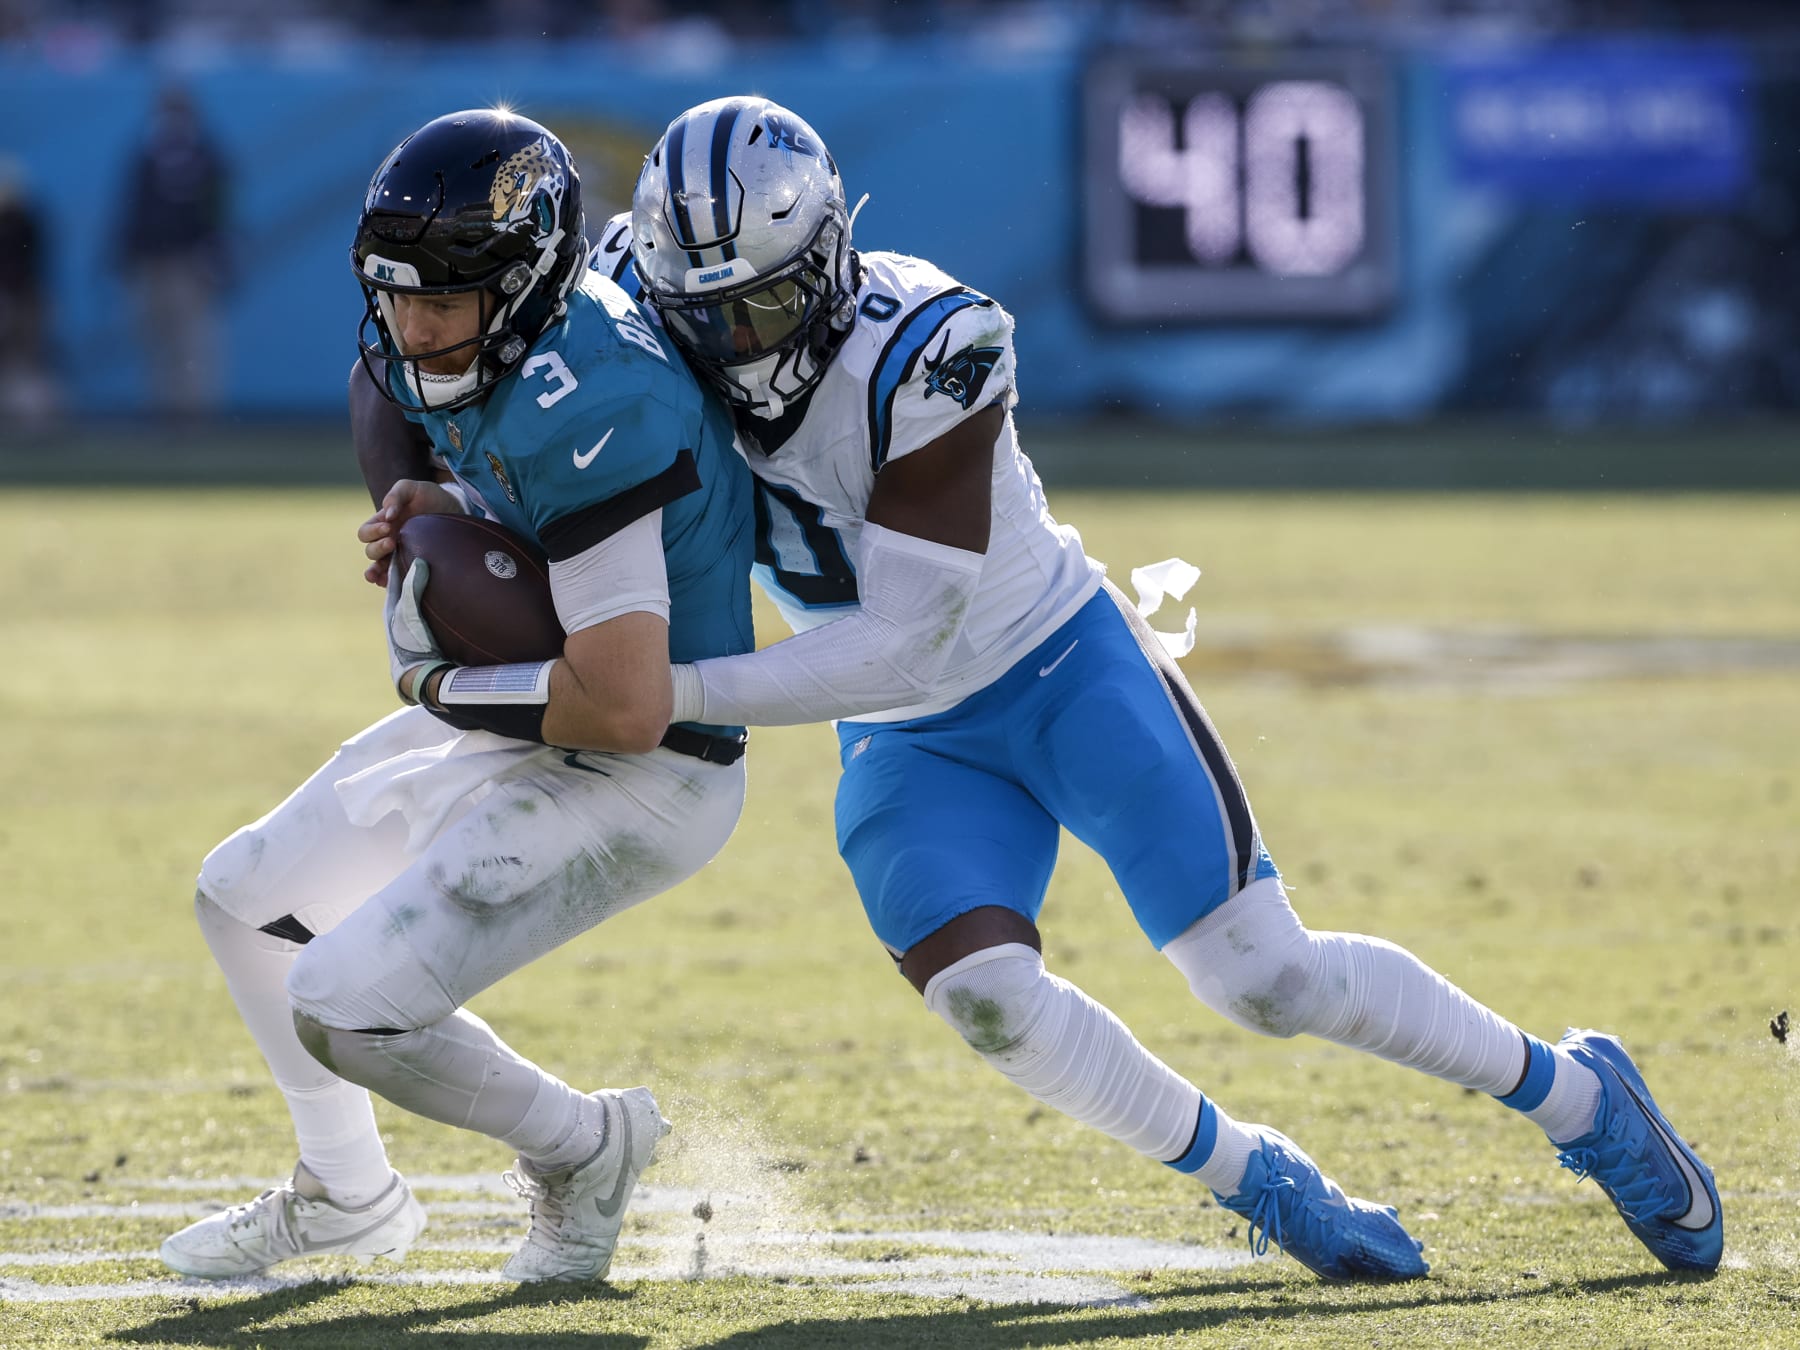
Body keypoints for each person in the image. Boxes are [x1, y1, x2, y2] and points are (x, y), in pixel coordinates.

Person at [619, 96, 1723, 1280]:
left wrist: (658, 691)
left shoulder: (928, 345)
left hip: (1054, 664)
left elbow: (903, 642)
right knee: (983, 994)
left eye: (762, 306)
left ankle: (1578, 1099)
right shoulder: (625, 309)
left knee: (1266, 977)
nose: (733, 346)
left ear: (831, 259)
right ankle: (1259, 1180)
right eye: (703, 319)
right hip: (905, 733)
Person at [159, 108, 756, 1284]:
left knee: (343, 1002)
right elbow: (380, 384)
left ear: (527, 287)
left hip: (653, 765)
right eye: (396, 297)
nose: (414, 328)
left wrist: (446, 676)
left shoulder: (595, 401)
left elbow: (625, 707)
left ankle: (585, 1145)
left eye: (443, 302)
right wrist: (424, 504)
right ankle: (347, 1195)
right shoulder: (459, 334)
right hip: (557, 704)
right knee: (242, 898)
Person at [113, 86, 232, 420]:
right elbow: (132, 211)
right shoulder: (147, 157)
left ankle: (191, 410)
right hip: (150, 262)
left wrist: (215, 249)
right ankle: (162, 408)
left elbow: (219, 209)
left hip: (188, 262)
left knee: (192, 340)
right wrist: (126, 255)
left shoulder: (205, 157)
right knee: (155, 338)